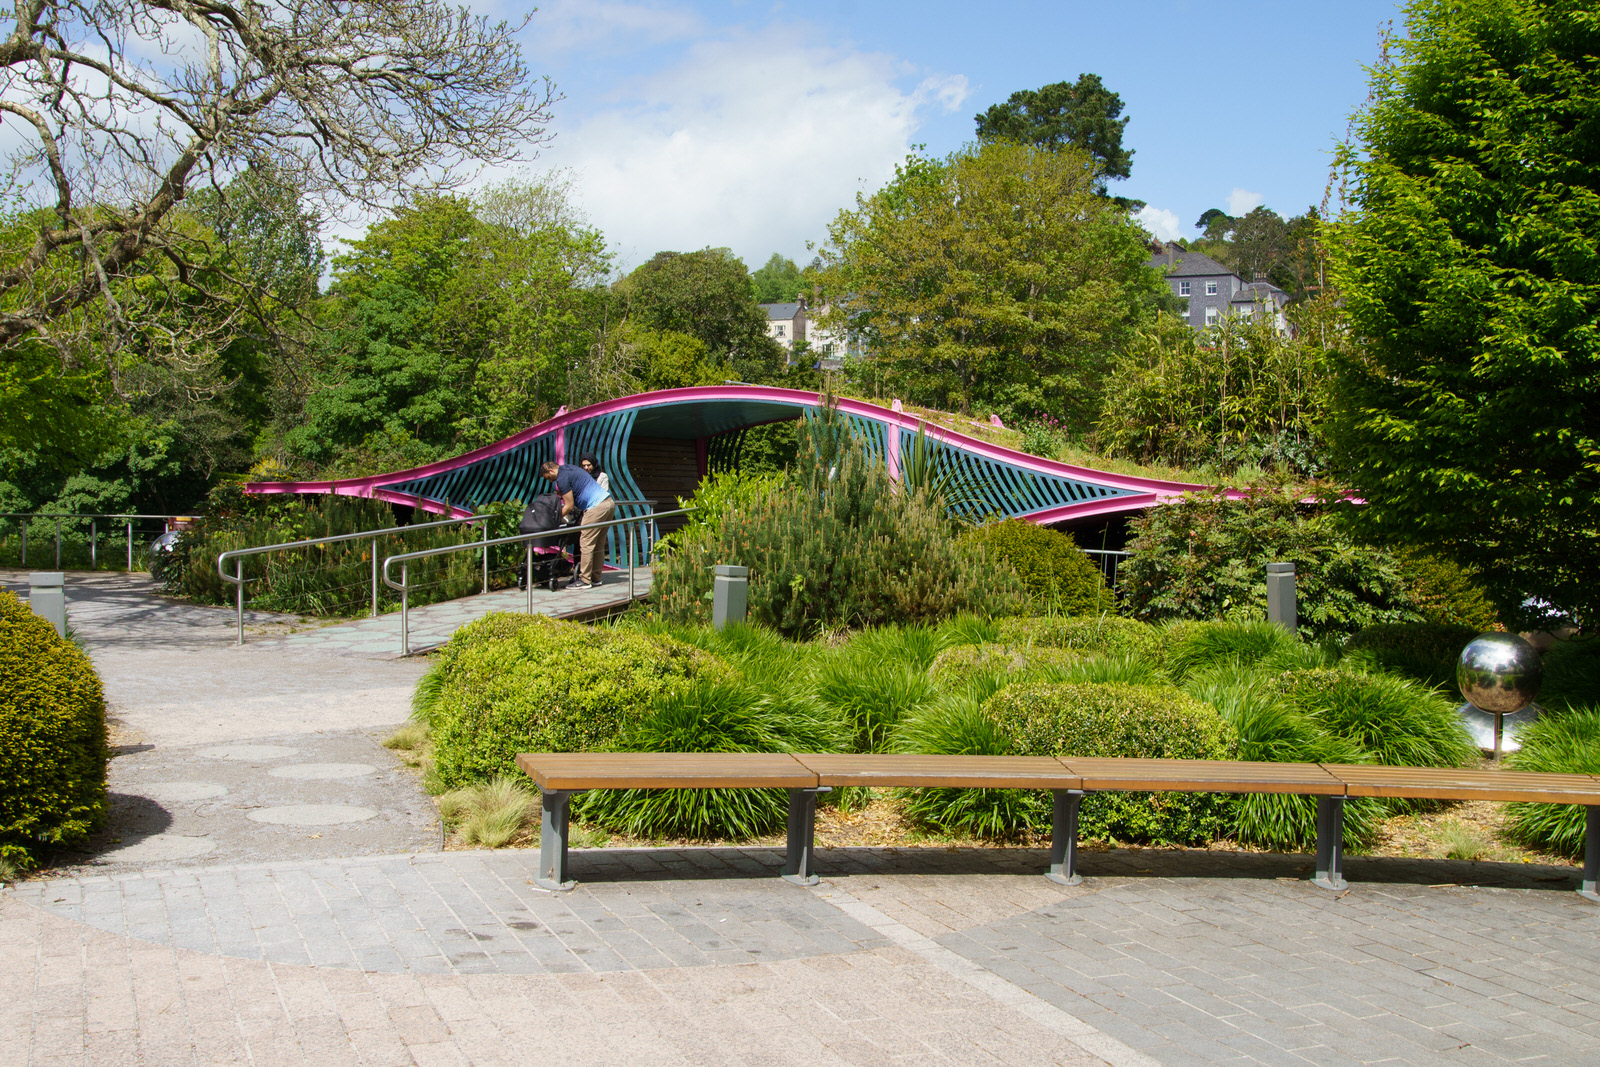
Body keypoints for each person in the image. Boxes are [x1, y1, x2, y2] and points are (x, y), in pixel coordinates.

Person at [540, 459, 614, 589]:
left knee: (586, 544)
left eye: (549, 478)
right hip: (608, 504)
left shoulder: (561, 479)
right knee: (598, 544)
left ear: (550, 470)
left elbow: (569, 506)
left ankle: (585, 580)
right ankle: (596, 578)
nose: (551, 481)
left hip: (595, 507)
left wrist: (553, 520)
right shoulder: (570, 468)